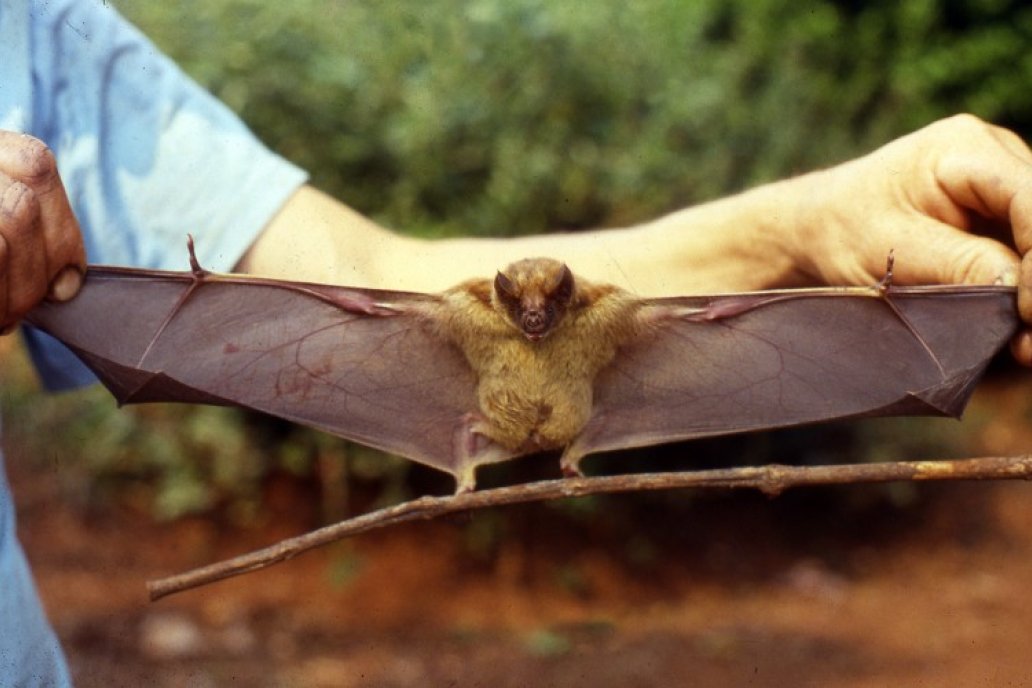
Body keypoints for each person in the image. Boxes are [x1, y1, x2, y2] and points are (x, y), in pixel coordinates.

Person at [2, 1, 1032, 685]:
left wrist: (806, 229)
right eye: (519, 305)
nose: (535, 319)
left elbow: (355, 275)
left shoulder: (39, 26)